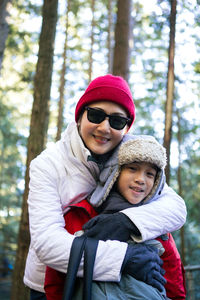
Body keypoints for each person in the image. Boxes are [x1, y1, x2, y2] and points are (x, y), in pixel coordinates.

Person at [23, 74, 186, 300]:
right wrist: (125, 258)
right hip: (57, 285)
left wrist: (126, 222)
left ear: (126, 128)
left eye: (117, 121)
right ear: (79, 116)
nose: (104, 128)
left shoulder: (132, 154)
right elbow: (48, 243)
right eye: (96, 115)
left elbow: (175, 206)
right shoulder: (48, 164)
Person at [44, 136, 186, 300]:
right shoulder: (80, 214)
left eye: (150, 174)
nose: (141, 179)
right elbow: (56, 281)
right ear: (115, 173)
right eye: (132, 168)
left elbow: (175, 288)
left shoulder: (157, 225)